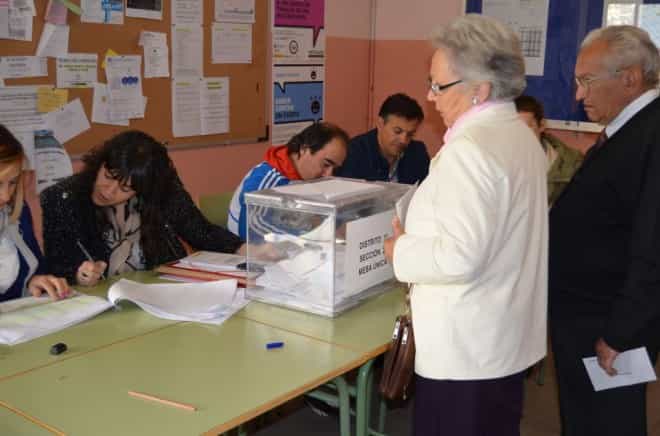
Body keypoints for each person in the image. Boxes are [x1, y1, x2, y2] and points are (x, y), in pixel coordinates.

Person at [383, 15, 548, 436]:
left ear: (481, 90)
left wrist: (398, 250)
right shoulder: (519, 135)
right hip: (500, 338)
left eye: (440, 85)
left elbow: (460, 256)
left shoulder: (471, 149)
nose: (430, 95)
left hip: (465, 350)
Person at [549, 25, 660, 436]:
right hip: (588, 318)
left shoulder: (652, 134)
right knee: (585, 418)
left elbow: (653, 246)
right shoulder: (629, 129)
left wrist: (621, 334)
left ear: (629, 77)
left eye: (586, 81)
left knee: (611, 422)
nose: (579, 95)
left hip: (610, 328)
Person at [41, 130, 245, 286]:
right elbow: (56, 265)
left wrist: (242, 248)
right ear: (101, 163)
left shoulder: (159, 189)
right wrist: (79, 273)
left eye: (125, 189)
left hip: (159, 290)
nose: (110, 191)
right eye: (108, 177)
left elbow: (199, 230)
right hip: (100, 301)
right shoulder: (61, 199)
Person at [227, 122, 349, 240]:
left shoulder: (310, 177)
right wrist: (307, 239)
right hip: (249, 253)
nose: (328, 174)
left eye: (335, 168)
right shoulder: (265, 179)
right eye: (326, 164)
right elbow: (250, 232)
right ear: (304, 149)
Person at [0, 125, 69, 301]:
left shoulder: (17, 211)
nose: (6, 196)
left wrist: (34, 283)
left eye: (13, 182)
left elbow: (36, 272)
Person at [335, 93, 429, 184]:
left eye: (410, 134)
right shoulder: (354, 153)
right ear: (380, 124)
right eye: (397, 131)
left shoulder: (418, 153)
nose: (403, 140)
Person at [515, 95, 583, 206]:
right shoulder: (493, 163)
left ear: (542, 125)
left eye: (527, 128)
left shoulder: (573, 163)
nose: (520, 136)